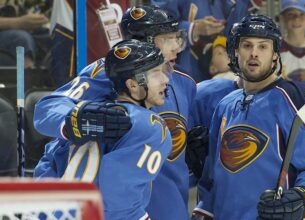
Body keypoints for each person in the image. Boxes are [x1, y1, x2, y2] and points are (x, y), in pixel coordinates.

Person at [34, 5, 196, 220]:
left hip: (165, 196)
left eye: (178, 38)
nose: (177, 47)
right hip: (115, 199)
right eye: (168, 39)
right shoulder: (108, 72)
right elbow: (46, 111)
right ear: (144, 40)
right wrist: (76, 119)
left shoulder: (185, 83)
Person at [192, 14, 305, 219]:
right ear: (235, 51)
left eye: (263, 46)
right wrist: (203, 212)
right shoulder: (225, 105)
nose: (254, 53)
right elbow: (212, 178)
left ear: (275, 54)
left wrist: (304, 198)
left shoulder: (296, 97)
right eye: (247, 45)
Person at [63, 39, 172, 219]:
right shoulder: (151, 126)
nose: (165, 80)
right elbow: (118, 199)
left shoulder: (83, 118)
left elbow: (46, 167)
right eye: (156, 73)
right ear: (133, 84)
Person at [151, 0, 262, 82]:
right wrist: (194, 29)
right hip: (176, 77)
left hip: (217, 82)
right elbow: (155, 27)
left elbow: (235, 33)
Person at [279, 0, 305, 89]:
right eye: (290, 14)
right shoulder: (275, 50)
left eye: (301, 14)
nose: (296, 19)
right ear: (283, 19)